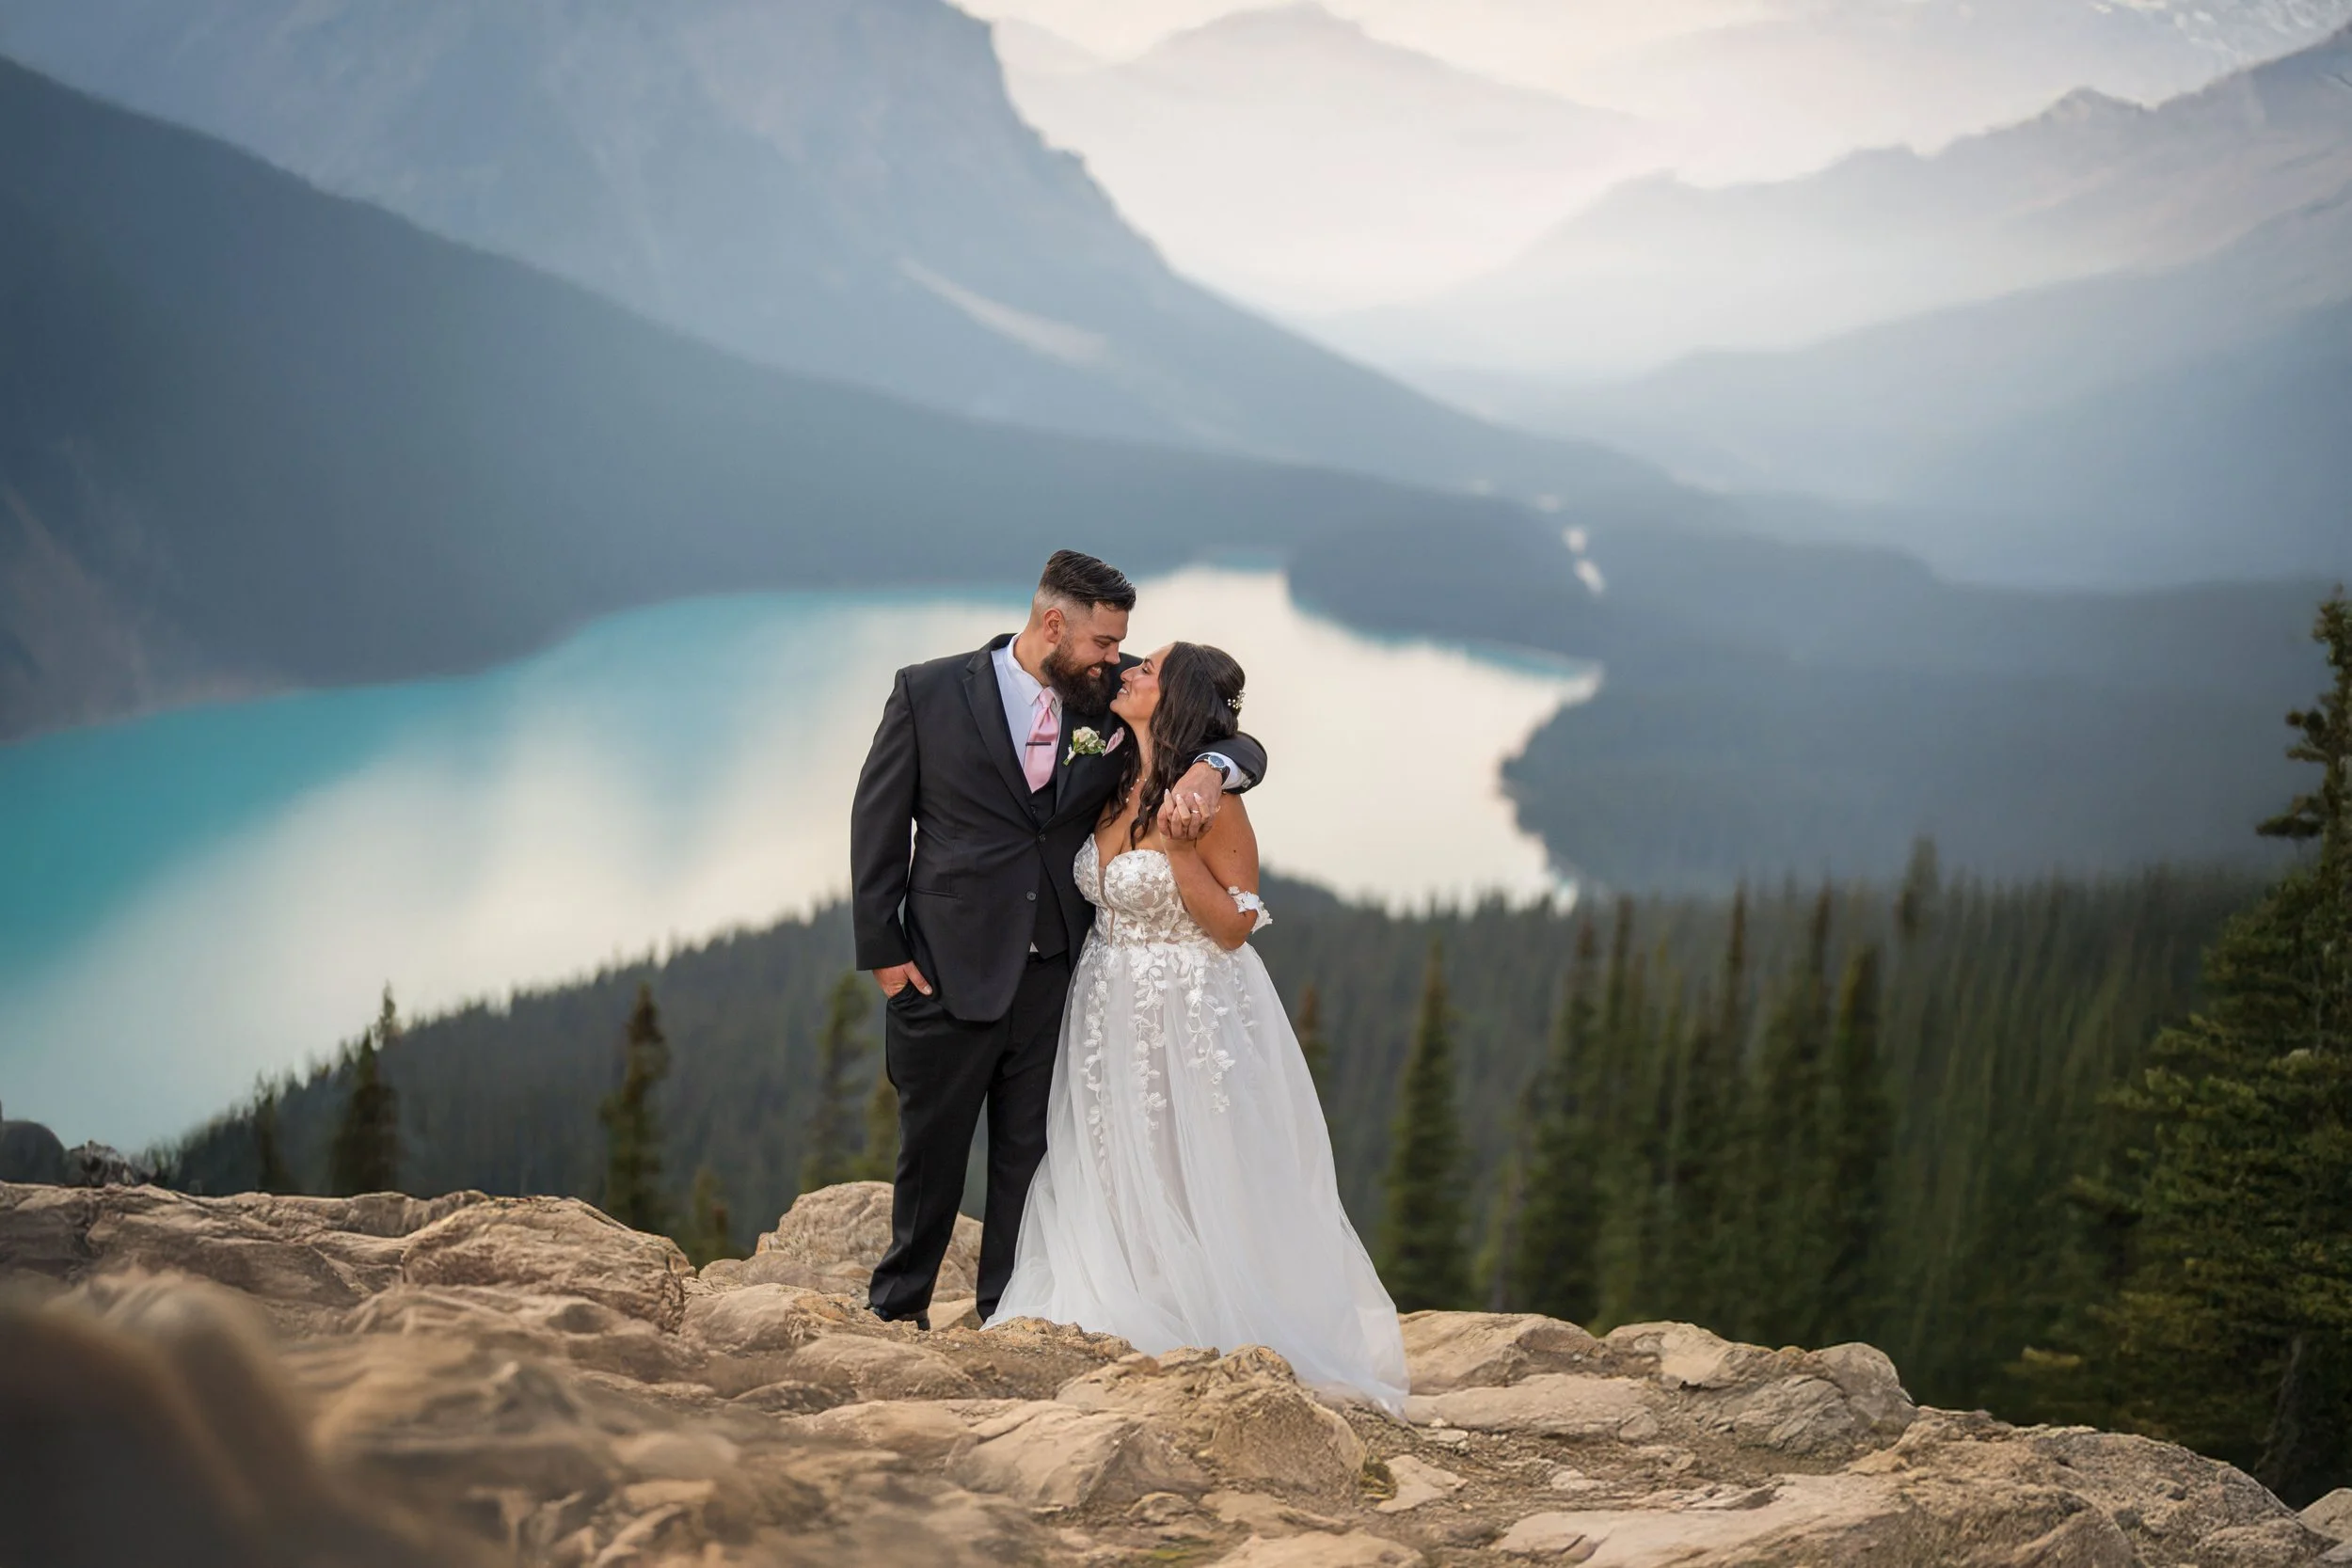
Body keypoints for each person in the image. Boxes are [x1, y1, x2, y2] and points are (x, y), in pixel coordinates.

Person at [987, 641, 1408, 1412]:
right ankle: (1125, 1296)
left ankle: (1205, 1313)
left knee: (1193, 1158)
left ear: (1174, 697)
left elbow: (1234, 926)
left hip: (1191, 1004)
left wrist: (1181, 854)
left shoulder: (1214, 802)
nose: (1130, 669)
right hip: (1105, 1000)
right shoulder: (1110, 772)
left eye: (1148, 669)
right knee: (1113, 1152)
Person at [850, 551, 1267, 1329]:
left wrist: (1213, 768)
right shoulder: (928, 690)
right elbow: (878, 820)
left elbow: (1229, 729)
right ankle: (895, 1310)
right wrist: (884, 951)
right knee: (929, 1152)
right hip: (942, 969)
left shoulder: (1110, 689)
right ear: (1053, 625)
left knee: (1028, 1160)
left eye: (1123, 649)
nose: (1120, 660)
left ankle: (1006, 1317)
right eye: (1107, 643)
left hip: (1059, 980)